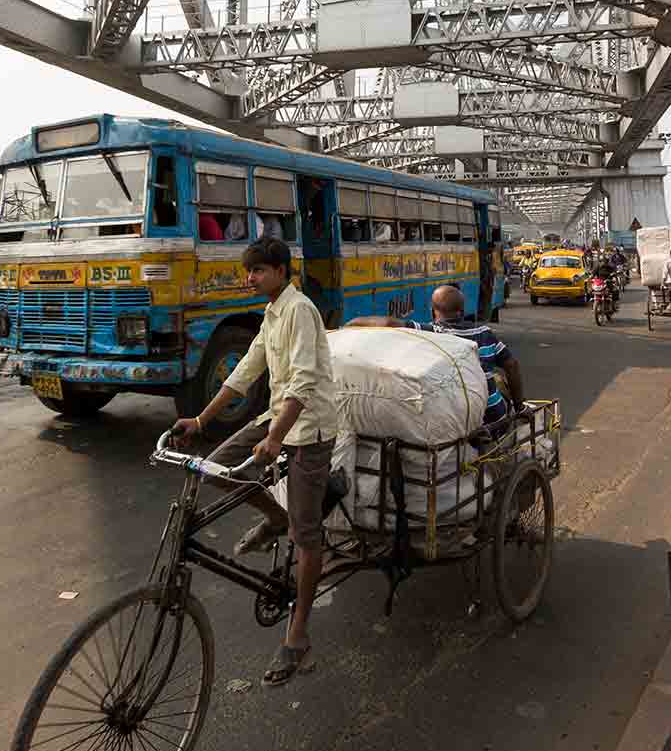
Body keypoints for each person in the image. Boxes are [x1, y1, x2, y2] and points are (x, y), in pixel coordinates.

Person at [169, 238, 338, 686]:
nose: (250, 279)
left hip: (310, 428)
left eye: (259, 271)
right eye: (249, 271)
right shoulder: (272, 313)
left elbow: (304, 380)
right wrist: (202, 419)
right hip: (276, 417)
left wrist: (276, 439)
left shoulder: (300, 310)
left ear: (282, 271)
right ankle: (277, 517)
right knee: (219, 467)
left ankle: (297, 637)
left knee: (307, 536)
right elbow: (247, 368)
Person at [356, 284, 526, 437]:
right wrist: (520, 407)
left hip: (448, 425)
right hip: (492, 421)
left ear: (433, 311)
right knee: (497, 382)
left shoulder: (429, 334)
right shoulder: (484, 333)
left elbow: (388, 323)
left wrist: (350, 324)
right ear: (462, 310)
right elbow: (512, 365)